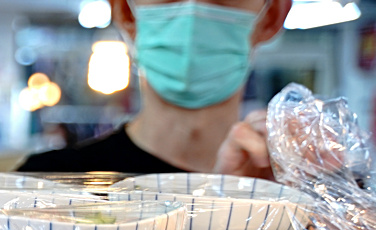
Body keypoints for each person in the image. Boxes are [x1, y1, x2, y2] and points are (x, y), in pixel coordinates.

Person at [18, 0, 292, 177]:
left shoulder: (302, 204)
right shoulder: (44, 184)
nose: (192, 12)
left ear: (272, 16)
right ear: (125, 11)